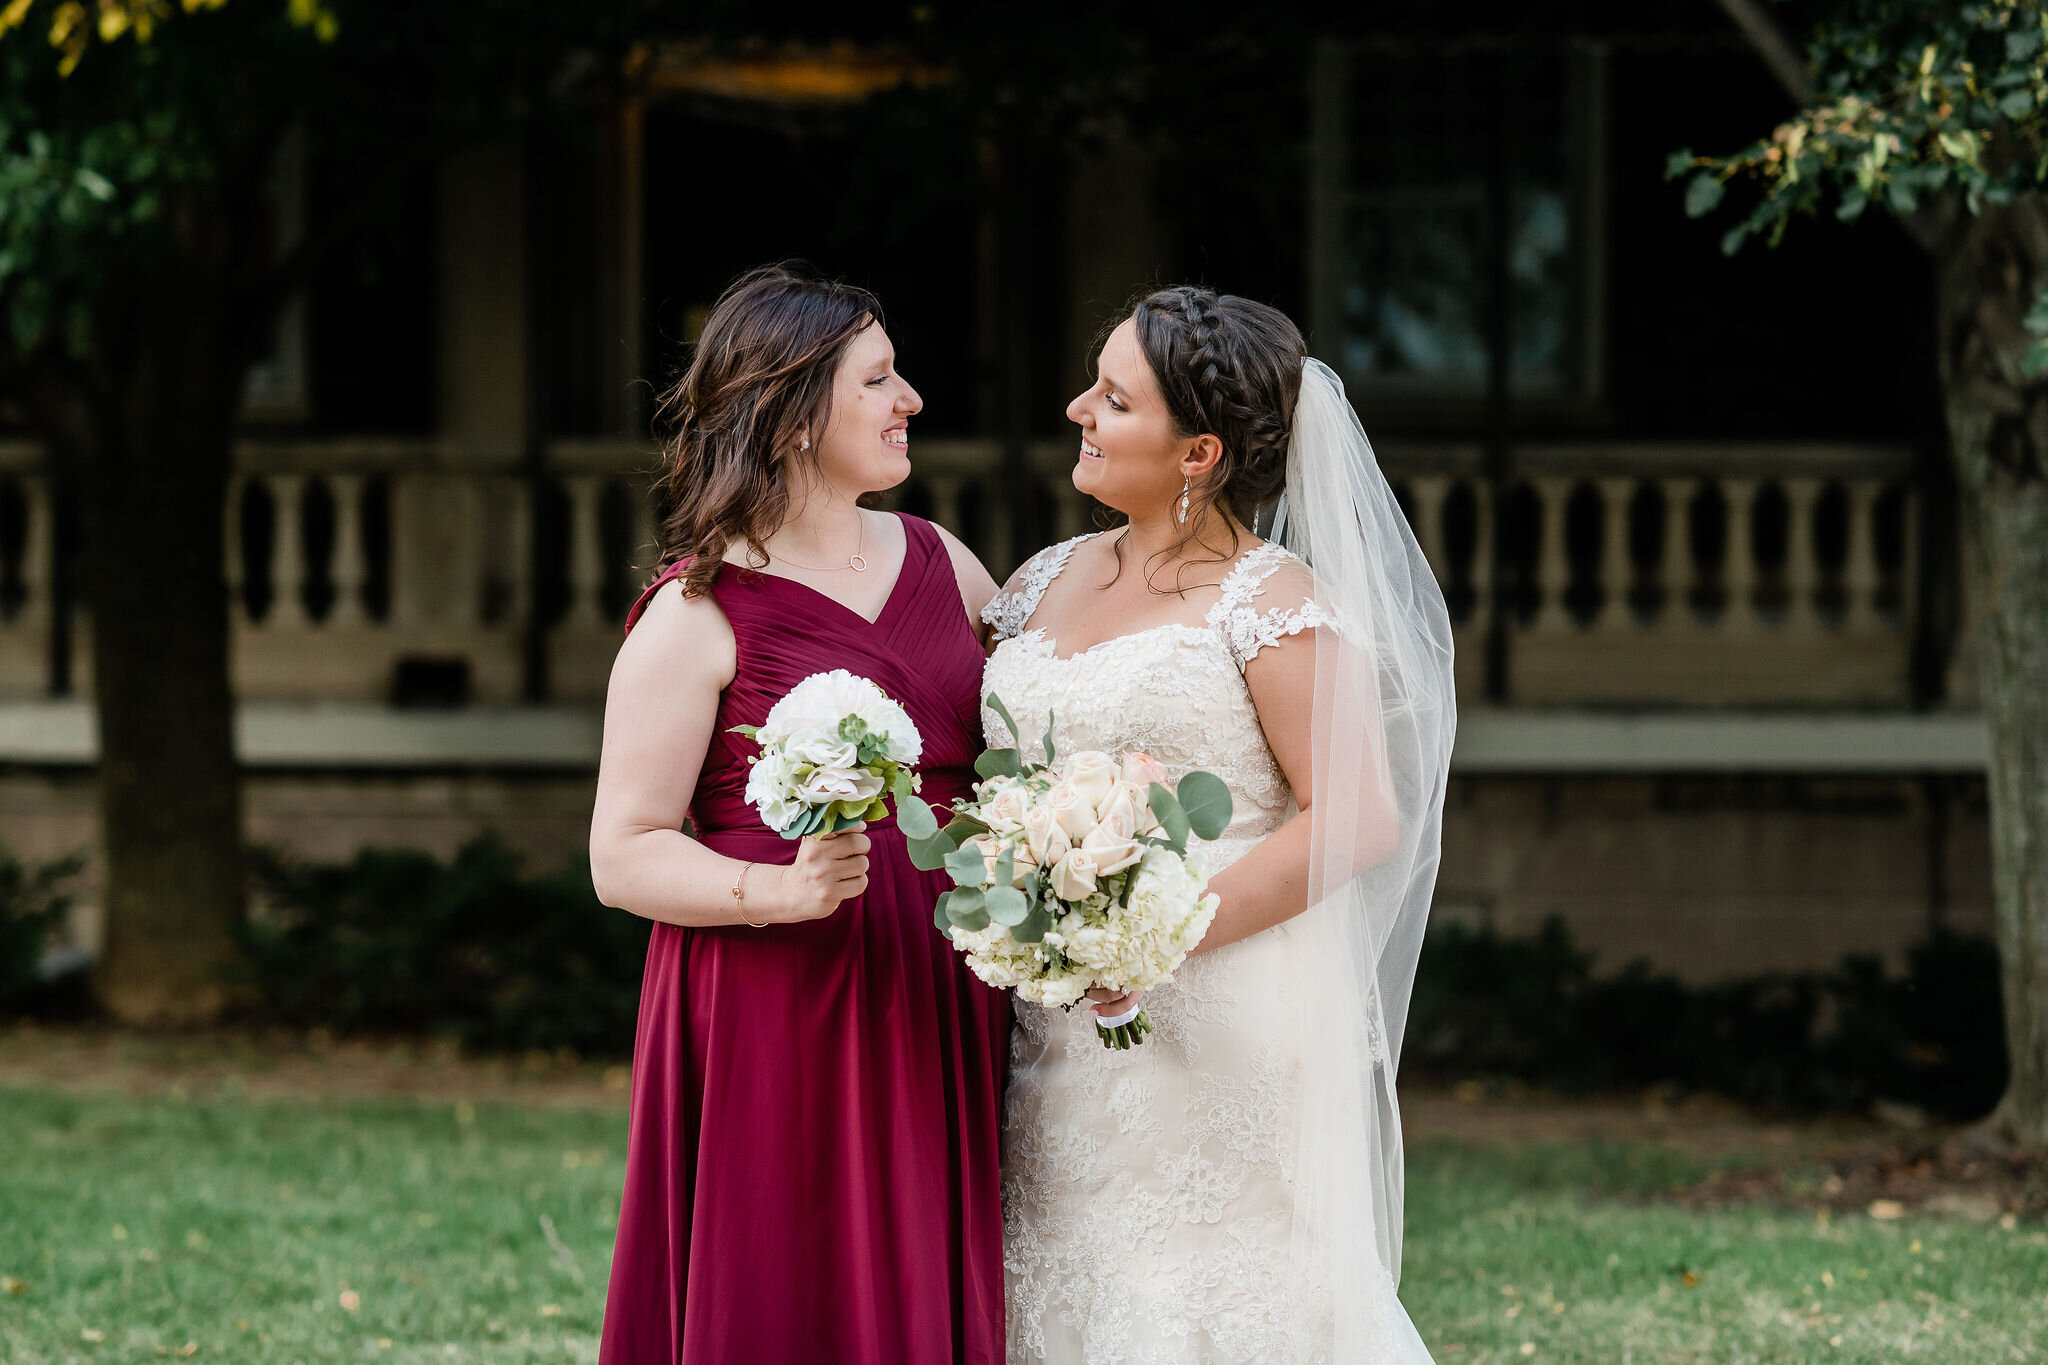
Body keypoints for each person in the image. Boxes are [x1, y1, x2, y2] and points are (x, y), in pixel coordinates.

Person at [982, 285, 1454, 1362]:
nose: (1075, 411)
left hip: (1221, 1012)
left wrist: (1155, 931)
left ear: (1197, 453)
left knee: (1206, 1291)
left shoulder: (1270, 603)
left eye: (1111, 400)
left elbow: (1358, 816)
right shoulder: (1038, 582)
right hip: (1059, 1020)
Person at [590, 264, 1011, 1364]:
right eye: (877, 379)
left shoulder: (946, 565)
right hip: (775, 996)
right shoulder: (695, 615)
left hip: (937, 987)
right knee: (786, 1274)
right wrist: (773, 893)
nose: (908, 398)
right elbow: (621, 853)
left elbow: (1020, 766)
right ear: (789, 414)